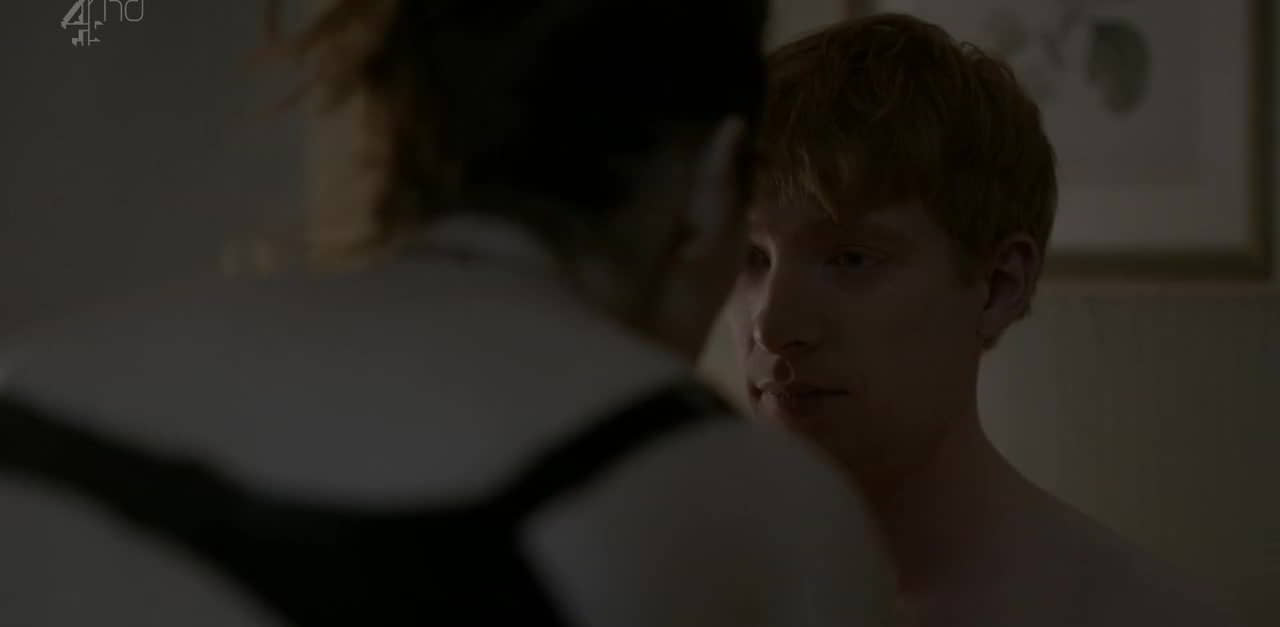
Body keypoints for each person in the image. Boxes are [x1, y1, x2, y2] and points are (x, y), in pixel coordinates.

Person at [0, 1, 898, 625]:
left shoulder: (35, 380)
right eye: (752, 254)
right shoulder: (759, 507)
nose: (770, 323)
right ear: (709, 183)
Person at [729, 13, 1237, 627]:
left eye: (851, 259)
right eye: (750, 258)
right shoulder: (673, 590)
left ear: (999, 287)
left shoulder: (1142, 615)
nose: (772, 326)